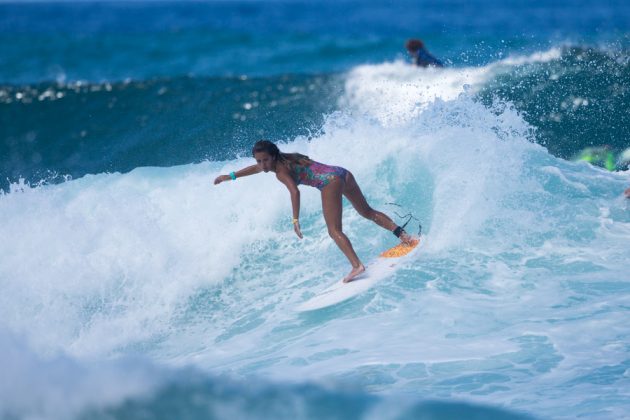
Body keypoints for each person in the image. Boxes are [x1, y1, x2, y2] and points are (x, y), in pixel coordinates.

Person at [214, 140, 413, 283]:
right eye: (259, 161)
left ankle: (356, 266)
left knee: (334, 231)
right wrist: (229, 176)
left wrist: (295, 219)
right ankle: (404, 236)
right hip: (342, 173)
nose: (262, 165)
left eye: (265, 160)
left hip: (329, 183)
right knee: (367, 211)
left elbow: (294, 191)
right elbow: (255, 169)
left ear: (272, 157)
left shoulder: (281, 172)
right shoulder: (285, 158)